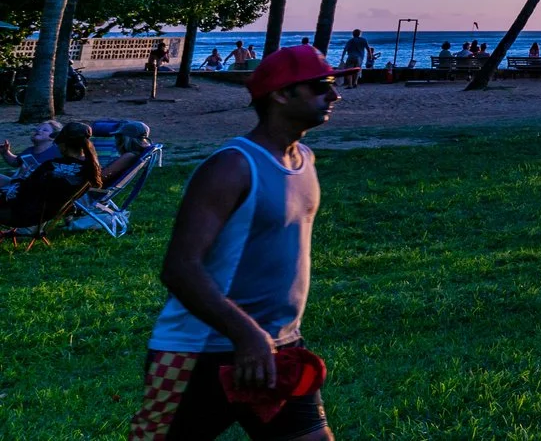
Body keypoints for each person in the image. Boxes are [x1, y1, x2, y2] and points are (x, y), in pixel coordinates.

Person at [129, 46, 337, 441]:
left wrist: (264, 339)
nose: (335, 94)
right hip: (196, 353)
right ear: (280, 95)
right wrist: (246, 334)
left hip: (278, 346)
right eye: (320, 85)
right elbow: (179, 268)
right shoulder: (232, 166)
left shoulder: (304, 159)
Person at [2, 120, 99, 228]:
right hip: (42, 217)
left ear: (63, 145)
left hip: (17, 215)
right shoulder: (90, 169)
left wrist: (21, 176)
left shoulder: (50, 166)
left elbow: (20, 191)